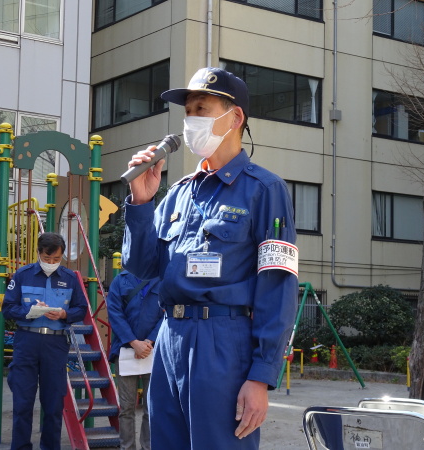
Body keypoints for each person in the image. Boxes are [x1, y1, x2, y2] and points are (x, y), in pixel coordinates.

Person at [122, 67, 299, 449]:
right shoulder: (180, 192)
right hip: (170, 336)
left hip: (223, 341)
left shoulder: (265, 190)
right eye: (187, 112)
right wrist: (141, 200)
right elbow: (141, 267)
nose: (190, 121)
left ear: (234, 117)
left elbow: (278, 287)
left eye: (201, 108)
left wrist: (260, 376)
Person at [3, 232, 88, 450]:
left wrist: (63, 315)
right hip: (27, 341)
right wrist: (29, 311)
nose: (51, 263)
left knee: (53, 403)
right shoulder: (22, 275)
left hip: (55, 344)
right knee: (22, 402)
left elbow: (81, 309)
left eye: (56, 259)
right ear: (39, 253)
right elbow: (8, 308)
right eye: (47, 258)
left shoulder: (70, 278)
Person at [107, 270, 163, 450]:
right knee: (127, 407)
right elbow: (114, 313)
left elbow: (167, 312)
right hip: (124, 350)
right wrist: (133, 342)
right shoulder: (120, 280)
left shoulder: (161, 278)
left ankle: (148, 447)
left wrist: (149, 341)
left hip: (154, 351)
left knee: (152, 407)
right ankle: (127, 447)